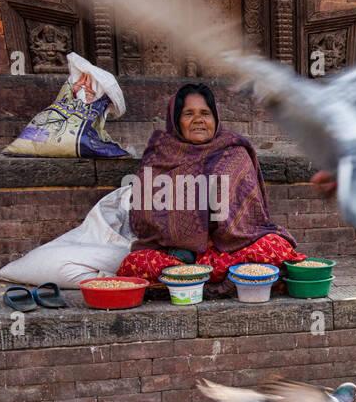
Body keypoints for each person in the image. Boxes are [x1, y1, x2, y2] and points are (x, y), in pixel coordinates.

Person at [117, 84, 304, 286]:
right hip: (177, 255)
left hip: (229, 249)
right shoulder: (159, 153)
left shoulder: (233, 151)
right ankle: (224, 278)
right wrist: (183, 232)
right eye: (188, 113)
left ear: (215, 119)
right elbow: (145, 212)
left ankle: (188, 280)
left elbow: (250, 215)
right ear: (176, 120)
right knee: (134, 264)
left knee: (276, 248)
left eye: (205, 113)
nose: (198, 120)